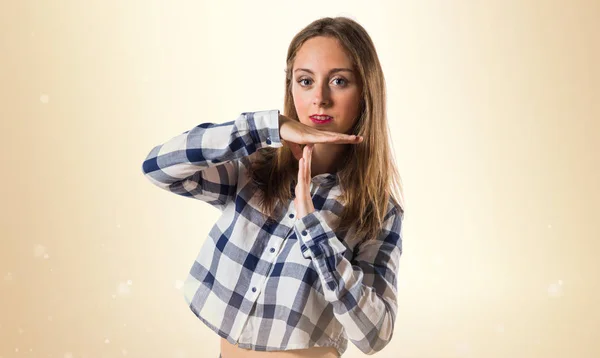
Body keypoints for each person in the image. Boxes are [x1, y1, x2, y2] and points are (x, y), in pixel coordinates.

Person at [141, 16, 405, 358]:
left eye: (339, 81)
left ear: (366, 91)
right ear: (291, 87)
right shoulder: (254, 169)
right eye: (306, 81)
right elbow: (158, 167)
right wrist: (266, 127)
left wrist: (314, 229)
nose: (320, 98)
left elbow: (375, 335)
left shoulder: (377, 211)